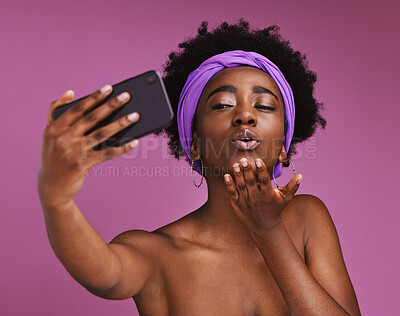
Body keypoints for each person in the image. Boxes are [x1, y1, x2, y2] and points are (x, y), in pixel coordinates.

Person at [38, 19, 361, 315]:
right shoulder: (156, 253)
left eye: (263, 106)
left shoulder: (307, 219)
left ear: (284, 149)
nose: (245, 116)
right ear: (193, 145)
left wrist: (268, 230)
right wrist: (58, 200)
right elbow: (103, 275)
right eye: (222, 105)